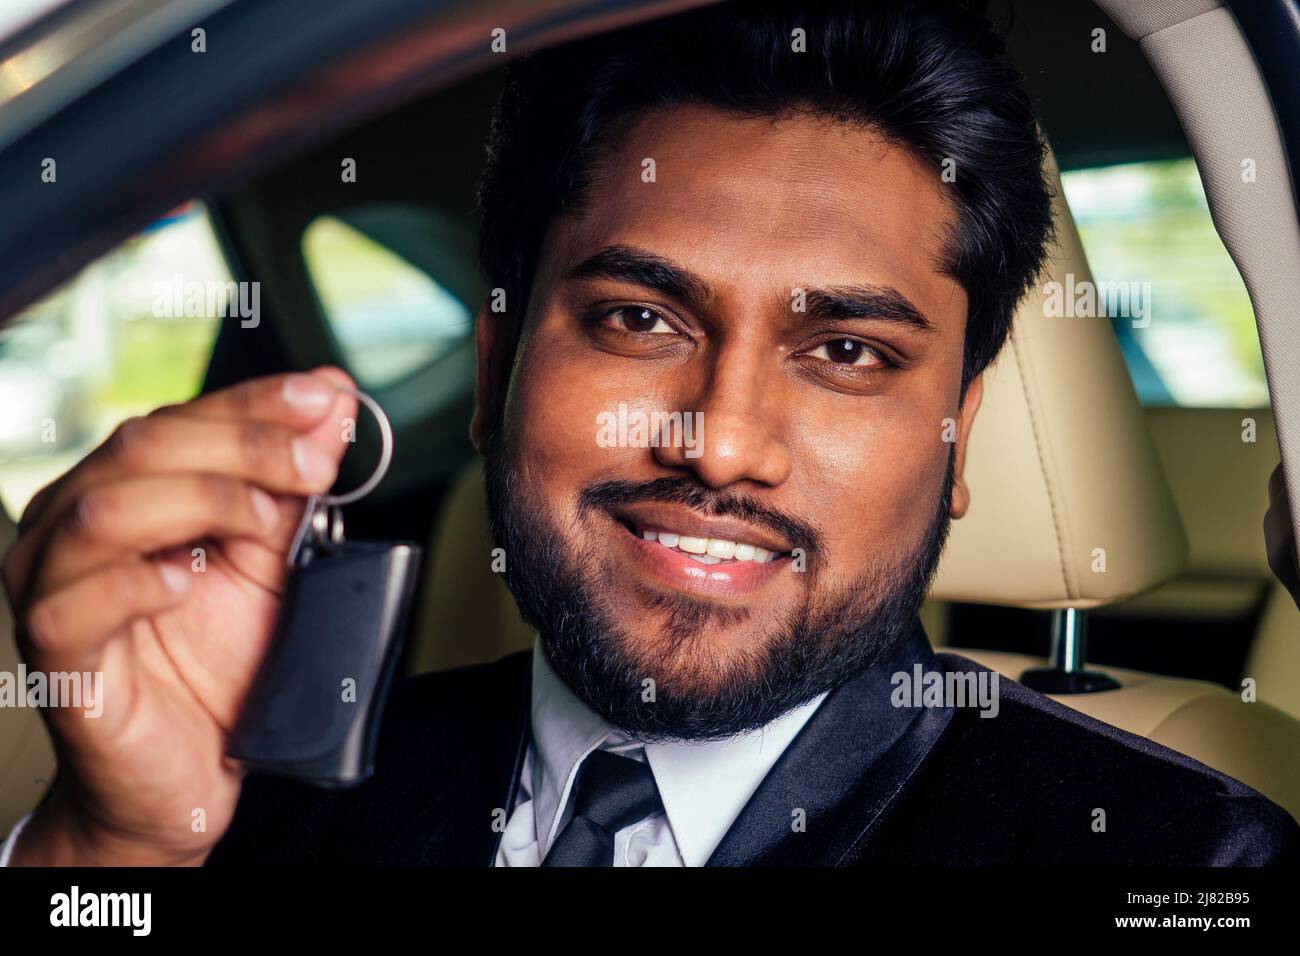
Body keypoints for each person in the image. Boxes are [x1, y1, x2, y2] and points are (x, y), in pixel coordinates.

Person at [3, 0, 1296, 867]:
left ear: (958, 436)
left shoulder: (1174, 860)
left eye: (847, 353)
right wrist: (104, 849)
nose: (722, 444)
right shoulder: (268, 795)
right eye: (638, 318)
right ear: (500, 364)